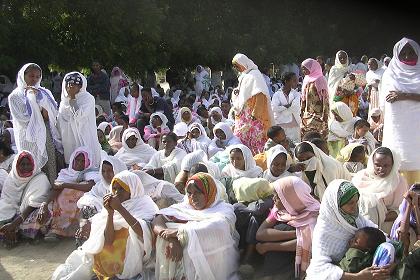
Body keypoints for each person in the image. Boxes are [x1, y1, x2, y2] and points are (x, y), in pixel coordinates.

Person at [52, 170, 158, 280]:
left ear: (132, 189)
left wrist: (120, 209)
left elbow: (143, 233)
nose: (116, 192)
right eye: (114, 189)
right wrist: (110, 213)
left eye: (121, 189)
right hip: (109, 256)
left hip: (132, 256)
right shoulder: (113, 208)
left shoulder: (145, 205)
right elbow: (107, 240)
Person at [152, 172, 239, 280]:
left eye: (198, 192)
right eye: (189, 193)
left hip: (211, 265)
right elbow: (158, 219)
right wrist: (171, 239)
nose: (193, 197)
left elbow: (217, 226)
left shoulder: (224, 210)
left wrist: (179, 232)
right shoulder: (183, 208)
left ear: (209, 192)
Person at [305, 179, 393, 279]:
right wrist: (357, 276)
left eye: (356, 202)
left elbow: (381, 237)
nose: (355, 207)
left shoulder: (357, 219)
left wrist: (389, 263)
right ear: (336, 205)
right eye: (350, 203)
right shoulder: (324, 232)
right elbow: (319, 269)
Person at [8, 63, 63, 184]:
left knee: (49, 164)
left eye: (38, 77)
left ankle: (50, 193)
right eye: (31, 76)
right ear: (24, 75)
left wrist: (38, 101)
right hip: (28, 137)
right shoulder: (15, 96)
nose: (34, 79)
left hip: (45, 134)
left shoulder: (44, 93)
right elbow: (23, 119)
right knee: (31, 165)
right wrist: (33, 100)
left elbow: (51, 115)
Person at [256, 177, 320, 279]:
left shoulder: (314, 215)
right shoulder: (278, 210)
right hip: (280, 258)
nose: (273, 198)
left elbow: (306, 243)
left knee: (283, 228)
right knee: (285, 229)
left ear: (290, 197)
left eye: (278, 196)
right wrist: (297, 234)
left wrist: (268, 246)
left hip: (296, 260)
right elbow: (260, 234)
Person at [380, 37, 420, 186]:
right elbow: (383, 103)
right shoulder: (389, 74)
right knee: (398, 160)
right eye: (403, 53)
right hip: (397, 129)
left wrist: (404, 95)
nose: (408, 56)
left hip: (417, 130)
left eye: (411, 52)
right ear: (397, 55)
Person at [38, 147, 99, 240]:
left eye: (83, 161)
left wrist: (66, 185)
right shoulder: (65, 173)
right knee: (60, 196)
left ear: (88, 162)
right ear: (72, 160)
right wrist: (45, 203)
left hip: (78, 206)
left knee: (74, 191)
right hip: (62, 205)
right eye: (77, 160)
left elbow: (89, 187)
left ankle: (71, 230)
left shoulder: (90, 173)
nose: (79, 163)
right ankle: (56, 229)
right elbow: (56, 187)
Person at [352, 147, 409, 233]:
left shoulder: (399, 183)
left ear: (393, 165)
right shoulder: (360, 178)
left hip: (389, 227)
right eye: (377, 165)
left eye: (386, 166)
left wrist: (378, 215)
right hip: (360, 223)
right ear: (372, 163)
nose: (381, 169)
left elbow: (403, 210)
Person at [0, 151, 50, 247]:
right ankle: (10, 235)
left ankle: (23, 235)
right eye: (22, 164)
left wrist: (14, 224)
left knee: (39, 215)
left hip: (28, 212)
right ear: (17, 166)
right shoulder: (11, 178)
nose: (26, 167)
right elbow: (6, 201)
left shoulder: (41, 178)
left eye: (28, 164)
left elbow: (33, 204)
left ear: (33, 164)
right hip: (13, 212)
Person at [75, 155, 127, 246]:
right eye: (103, 171)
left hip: (118, 220)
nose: (106, 174)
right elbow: (87, 199)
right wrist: (84, 222)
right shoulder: (100, 186)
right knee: (86, 209)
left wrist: (94, 221)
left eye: (110, 171)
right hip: (100, 218)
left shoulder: (126, 188)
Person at [231, 53, 274, 155]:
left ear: (243, 63)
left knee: (256, 140)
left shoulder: (255, 75)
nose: (237, 68)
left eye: (238, 65)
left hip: (254, 117)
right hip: (243, 116)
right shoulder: (244, 76)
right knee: (240, 139)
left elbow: (260, 95)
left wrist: (255, 115)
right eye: (235, 67)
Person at [58, 72, 102, 168]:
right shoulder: (63, 102)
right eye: (69, 84)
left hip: (84, 137)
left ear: (81, 86)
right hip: (69, 140)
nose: (71, 87)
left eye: (75, 85)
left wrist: (73, 98)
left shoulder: (88, 99)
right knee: (71, 165)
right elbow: (60, 123)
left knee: (86, 163)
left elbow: (79, 115)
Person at [300, 58, 329, 140]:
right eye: (302, 69)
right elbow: (303, 98)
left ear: (311, 67)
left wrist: (325, 117)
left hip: (318, 116)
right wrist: (302, 112)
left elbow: (325, 99)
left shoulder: (320, 79)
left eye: (304, 68)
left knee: (317, 139)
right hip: (307, 116)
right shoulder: (306, 79)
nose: (303, 70)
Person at [271, 72, 301, 143]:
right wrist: (286, 106)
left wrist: (282, 109)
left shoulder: (296, 94)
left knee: (295, 144)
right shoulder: (277, 94)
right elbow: (274, 108)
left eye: (296, 80)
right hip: (281, 124)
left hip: (294, 124)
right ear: (286, 81)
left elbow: (295, 107)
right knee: (283, 144)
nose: (296, 82)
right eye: (294, 80)